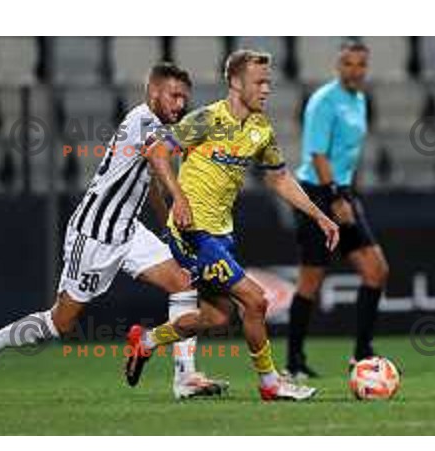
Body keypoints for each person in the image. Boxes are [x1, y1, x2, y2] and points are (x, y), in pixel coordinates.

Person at [0, 62, 228, 400]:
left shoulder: (159, 128)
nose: (179, 104)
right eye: (174, 95)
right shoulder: (143, 121)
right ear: (153, 93)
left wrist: (166, 226)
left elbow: (150, 182)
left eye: (184, 98)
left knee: (182, 282)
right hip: (94, 234)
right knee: (62, 321)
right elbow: (160, 160)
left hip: (128, 231)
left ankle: (186, 378)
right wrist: (182, 196)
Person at [125, 50, 340, 401]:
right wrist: (177, 199)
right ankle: (270, 383)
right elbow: (157, 153)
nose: (267, 89)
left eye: (268, 82)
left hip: (221, 234)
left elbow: (280, 179)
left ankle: (146, 340)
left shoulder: (260, 129)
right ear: (235, 83)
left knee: (217, 316)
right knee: (255, 301)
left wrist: (319, 215)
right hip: (193, 232)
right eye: (259, 81)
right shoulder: (207, 120)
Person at [287, 40, 389, 379]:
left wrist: (344, 193)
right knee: (311, 280)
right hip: (317, 194)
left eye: (361, 64)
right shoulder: (323, 101)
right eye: (348, 63)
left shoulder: (359, 100)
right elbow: (317, 154)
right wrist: (336, 197)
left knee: (376, 270)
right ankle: (294, 361)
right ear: (338, 66)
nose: (355, 70)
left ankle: (361, 354)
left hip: (341, 191)